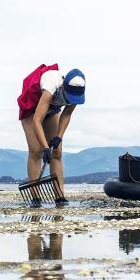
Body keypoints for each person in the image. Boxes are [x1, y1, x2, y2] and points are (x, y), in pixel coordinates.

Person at [17, 64, 86, 199]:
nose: (72, 100)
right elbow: (37, 120)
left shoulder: (78, 91)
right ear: (64, 87)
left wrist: (58, 137)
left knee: (57, 152)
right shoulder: (50, 86)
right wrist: (45, 148)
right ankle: (35, 196)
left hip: (52, 109)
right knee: (36, 151)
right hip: (32, 108)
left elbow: (66, 114)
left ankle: (59, 196)